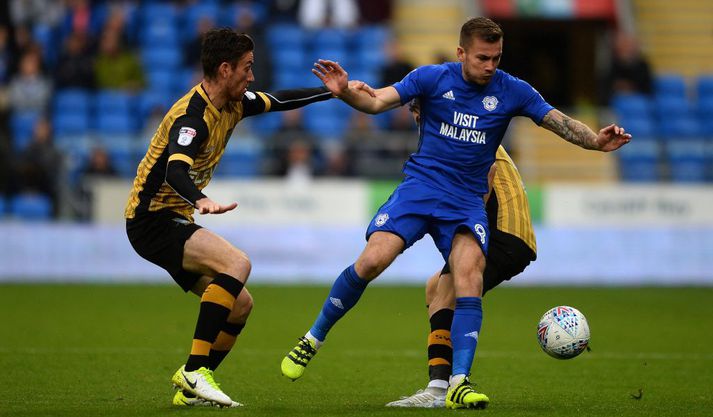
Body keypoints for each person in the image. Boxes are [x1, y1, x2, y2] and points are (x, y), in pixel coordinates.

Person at [280, 17, 631, 409]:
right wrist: (344, 92)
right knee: (373, 260)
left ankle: (458, 383)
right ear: (462, 52)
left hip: (465, 201)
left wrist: (595, 142)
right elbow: (376, 101)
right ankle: (312, 339)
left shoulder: (513, 90)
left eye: (496, 58)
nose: (490, 66)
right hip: (421, 188)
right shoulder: (431, 78)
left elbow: (559, 122)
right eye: (483, 57)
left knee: (468, 276)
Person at [124, 28, 338, 408]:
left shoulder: (235, 101)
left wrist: (334, 91)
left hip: (172, 218)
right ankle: (193, 371)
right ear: (225, 69)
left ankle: (190, 391)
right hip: (151, 220)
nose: (252, 76)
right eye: (247, 68)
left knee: (240, 304)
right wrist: (200, 199)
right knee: (237, 263)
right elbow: (175, 171)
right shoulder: (193, 116)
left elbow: (279, 100)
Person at [385, 99, 537, 408]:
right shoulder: (466, 127)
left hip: (504, 234)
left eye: (420, 115)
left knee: (445, 293)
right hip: (512, 233)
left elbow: (484, 183)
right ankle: (447, 383)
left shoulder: (457, 135)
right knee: (435, 287)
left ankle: (440, 389)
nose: (418, 122)